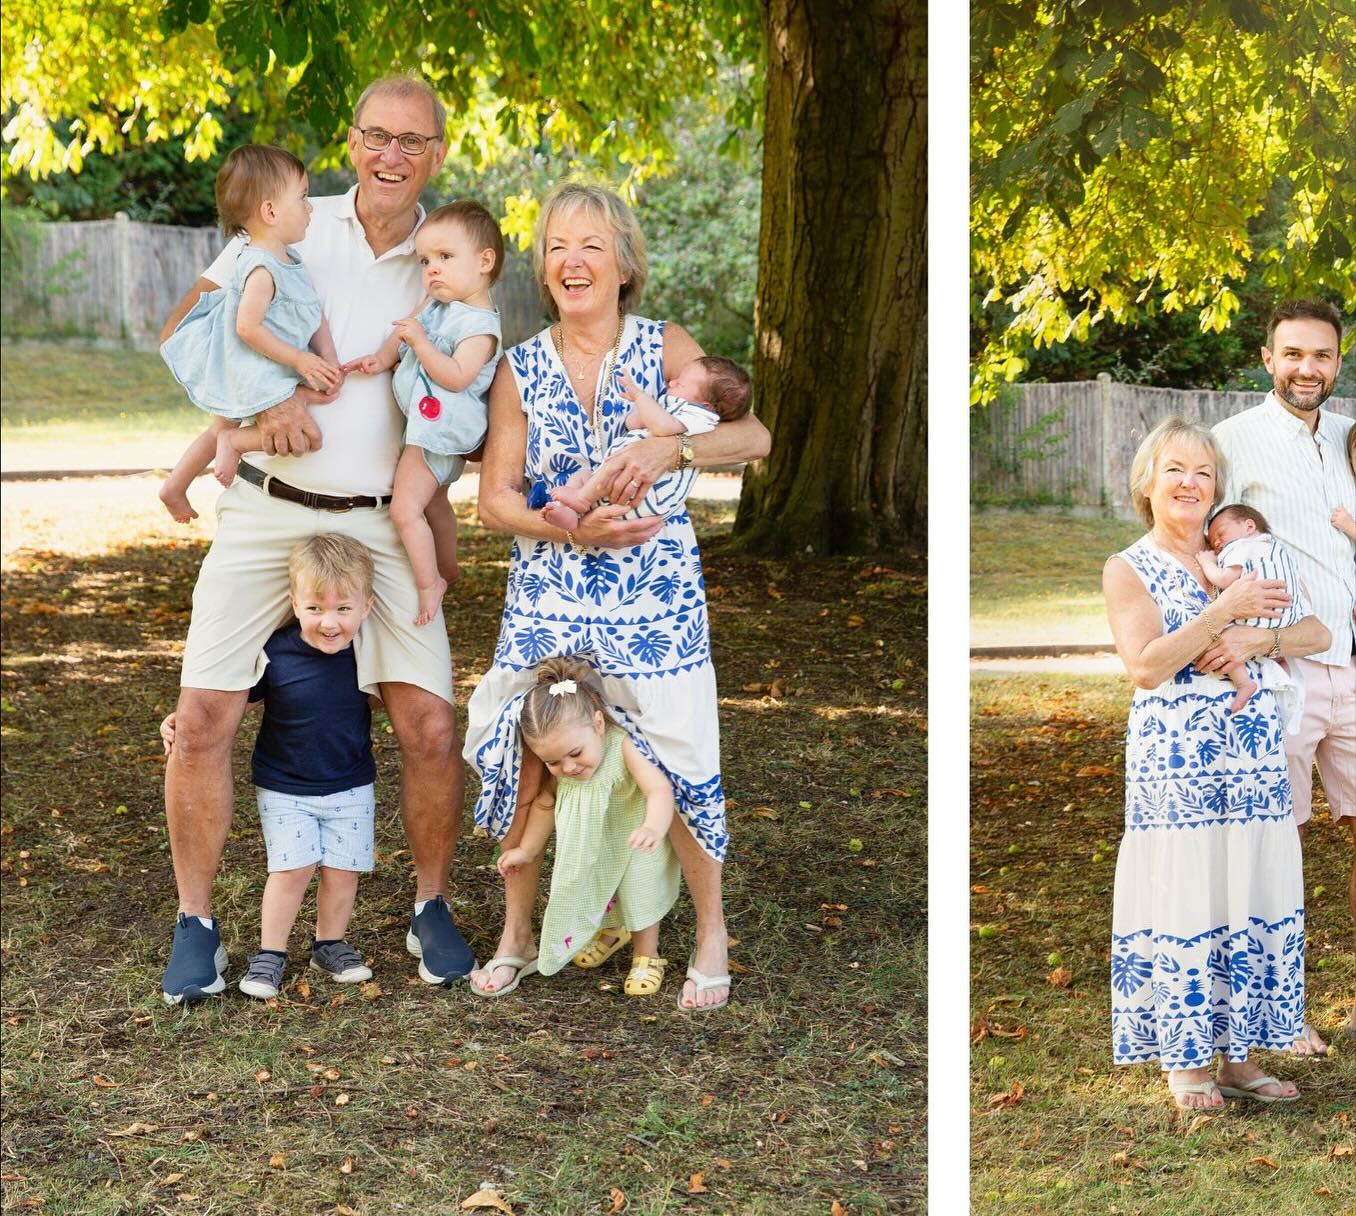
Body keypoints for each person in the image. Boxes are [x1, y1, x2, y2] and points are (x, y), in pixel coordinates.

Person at [158, 74, 476, 1005]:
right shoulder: (288, 224)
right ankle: (197, 924)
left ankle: (428, 906)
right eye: (375, 136)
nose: (389, 157)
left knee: (428, 723)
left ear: (438, 155)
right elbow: (187, 333)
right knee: (206, 716)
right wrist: (275, 399)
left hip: (386, 518)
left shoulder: (449, 253)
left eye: (411, 143)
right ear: (351, 140)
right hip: (267, 502)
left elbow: (471, 379)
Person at [464, 182, 771, 1011]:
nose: (574, 261)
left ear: (624, 263)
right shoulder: (517, 368)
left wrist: (674, 450)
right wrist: (570, 533)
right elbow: (496, 501)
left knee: (679, 758)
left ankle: (709, 933)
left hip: (657, 601)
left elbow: (754, 436)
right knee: (533, 752)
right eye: (559, 246)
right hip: (551, 594)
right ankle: (517, 935)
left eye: (593, 245)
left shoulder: (663, 345)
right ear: (542, 266)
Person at [1104, 416, 1330, 1109]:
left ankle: (1239, 1060)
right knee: (1190, 897)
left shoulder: (1245, 554)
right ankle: (1187, 1063)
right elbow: (1146, 667)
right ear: (1148, 482)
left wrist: (1253, 642)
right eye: (1175, 469)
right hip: (1179, 770)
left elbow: (1316, 630)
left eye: (1203, 473)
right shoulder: (1128, 567)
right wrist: (1221, 615)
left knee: (1245, 896)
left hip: (1254, 760)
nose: (1190, 484)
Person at [1213, 298, 1356, 1054]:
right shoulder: (1231, 441)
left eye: (1322, 355)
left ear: (1339, 360)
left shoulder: (1350, 438)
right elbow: (1194, 542)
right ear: (1268, 359)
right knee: (1278, 839)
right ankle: (1282, 1009)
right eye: (1293, 354)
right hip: (1283, 673)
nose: (1308, 368)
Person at [160, 535, 379, 1000]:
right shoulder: (276, 654)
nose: (330, 622)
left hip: (351, 784)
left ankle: (330, 943)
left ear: (366, 606)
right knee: (292, 868)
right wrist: (181, 719)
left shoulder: (369, 656)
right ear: (294, 603)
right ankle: (271, 954)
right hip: (286, 786)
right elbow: (228, 702)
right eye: (316, 608)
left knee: (343, 869)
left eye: (344, 609)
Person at [158, 145, 342, 523]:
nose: (311, 208)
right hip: (256, 365)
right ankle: (237, 442)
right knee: (307, 437)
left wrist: (328, 356)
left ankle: (174, 485)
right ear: (271, 211)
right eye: (303, 197)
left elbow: (313, 312)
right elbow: (246, 327)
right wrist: (300, 359)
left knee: (219, 426)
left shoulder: (288, 259)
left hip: (266, 365)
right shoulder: (260, 267)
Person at [341, 201, 504, 625]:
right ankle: (447, 565)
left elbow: (457, 377)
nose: (432, 269)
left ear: (484, 262)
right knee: (434, 504)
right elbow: (403, 331)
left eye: (445, 258)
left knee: (405, 509)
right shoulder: (437, 303)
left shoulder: (479, 326)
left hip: (440, 433)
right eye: (425, 260)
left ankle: (430, 581)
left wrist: (421, 344)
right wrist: (381, 358)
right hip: (429, 427)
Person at [484, 657, 680, 998]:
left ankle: (647, 956)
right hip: (595, 845)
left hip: (635, 840)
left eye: (575, 753)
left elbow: (658, 788)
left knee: (638, 892)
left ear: (599, 723)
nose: (568, 767)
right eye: (553, 762)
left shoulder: (623, 746)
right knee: (597, 886)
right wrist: (526, 850)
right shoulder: (565, 764)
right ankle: (610, 933)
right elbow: (546, 803)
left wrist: (653, 826)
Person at [541, 355, 751, 531]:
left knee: (616, 465)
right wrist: (643, 407)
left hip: (646, 491)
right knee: (583, 475)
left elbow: (663, 428)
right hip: (621, 483)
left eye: (681, 383)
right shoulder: (674, 405)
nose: (672, 382)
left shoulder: (701, 416)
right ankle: (570, 512)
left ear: (706, 404)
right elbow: (632, 423)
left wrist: (641, 397)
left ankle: (582, 500)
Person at [1196, 503, 1309, 717]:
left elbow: (1225, 578)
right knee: (1280, 659)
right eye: (1212, 542)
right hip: (1288, 616)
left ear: (1249, 526)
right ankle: (1283, 681)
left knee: (1215, 631)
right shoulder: (1278, 548)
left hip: (1257, 617)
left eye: (1220, 534)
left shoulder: (1240, 547)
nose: (1217, 543)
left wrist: (1206, 562)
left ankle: (1244, 684)